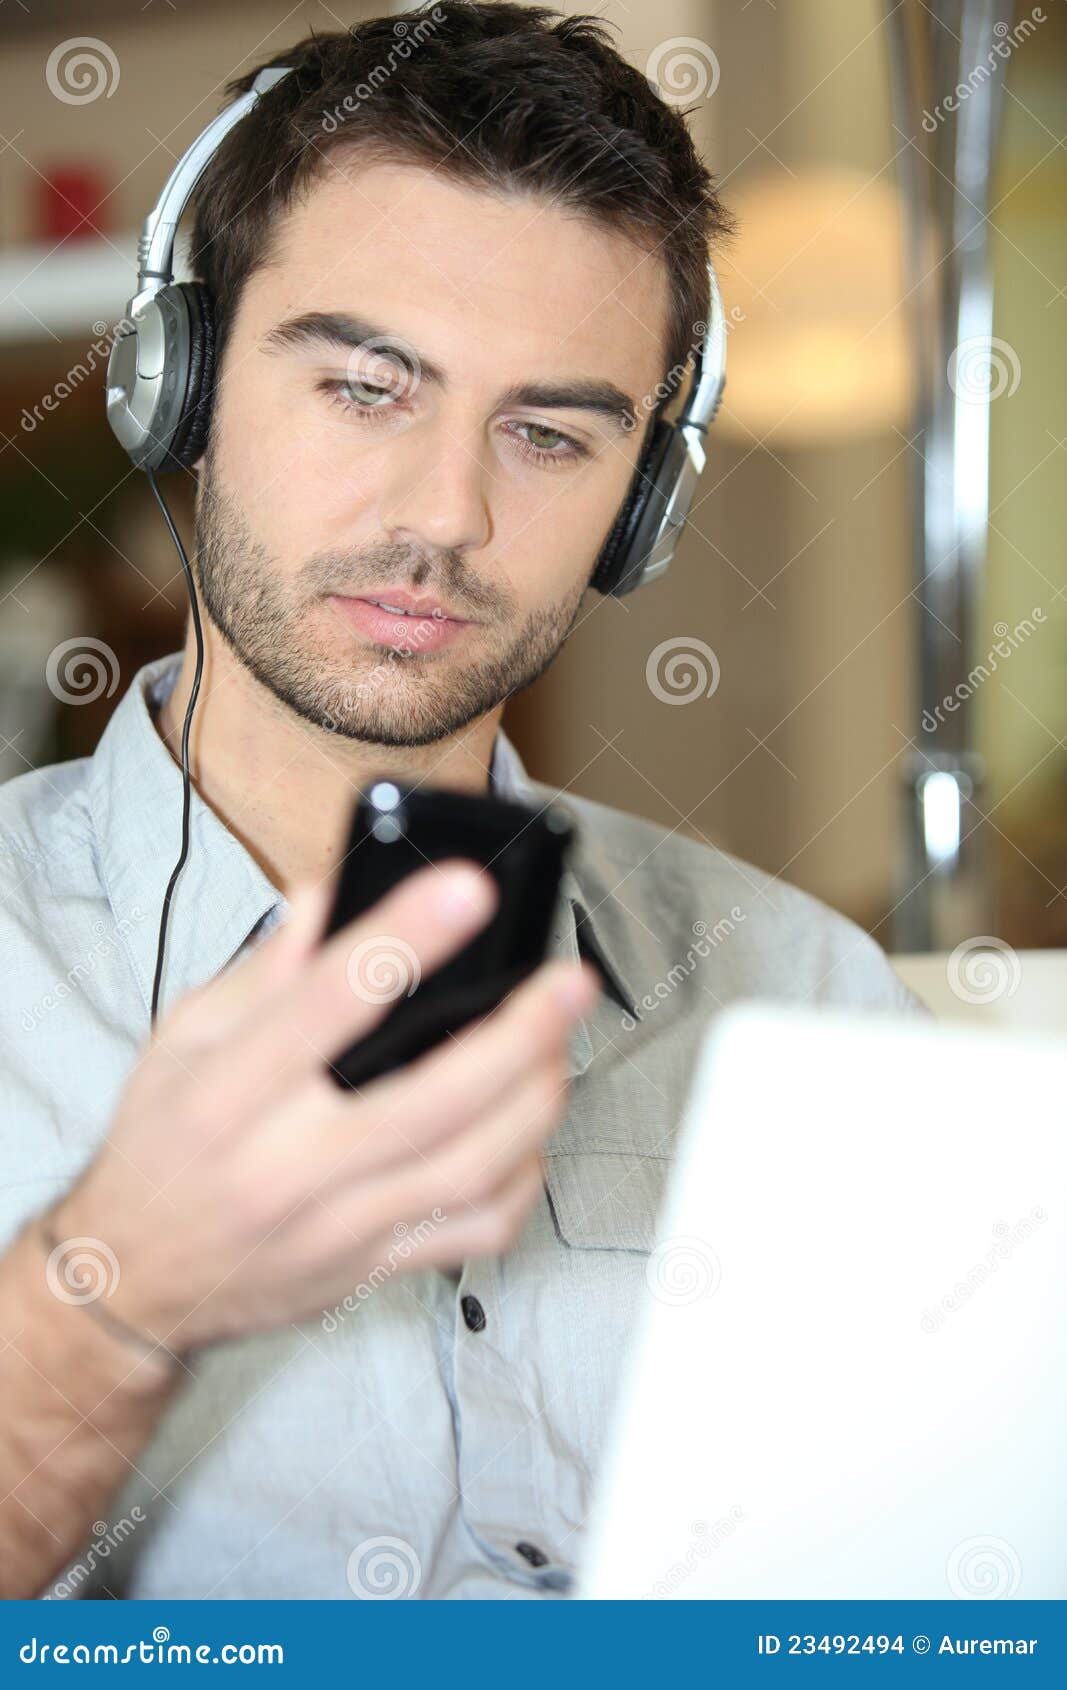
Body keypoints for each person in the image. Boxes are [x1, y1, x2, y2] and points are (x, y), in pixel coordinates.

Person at [0, 3, 925, 1601]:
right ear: (184, 389)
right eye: (366, 387)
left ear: (639, 507)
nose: (449, 513)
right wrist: (116, 1293)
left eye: (552, 431)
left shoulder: (808, 999)